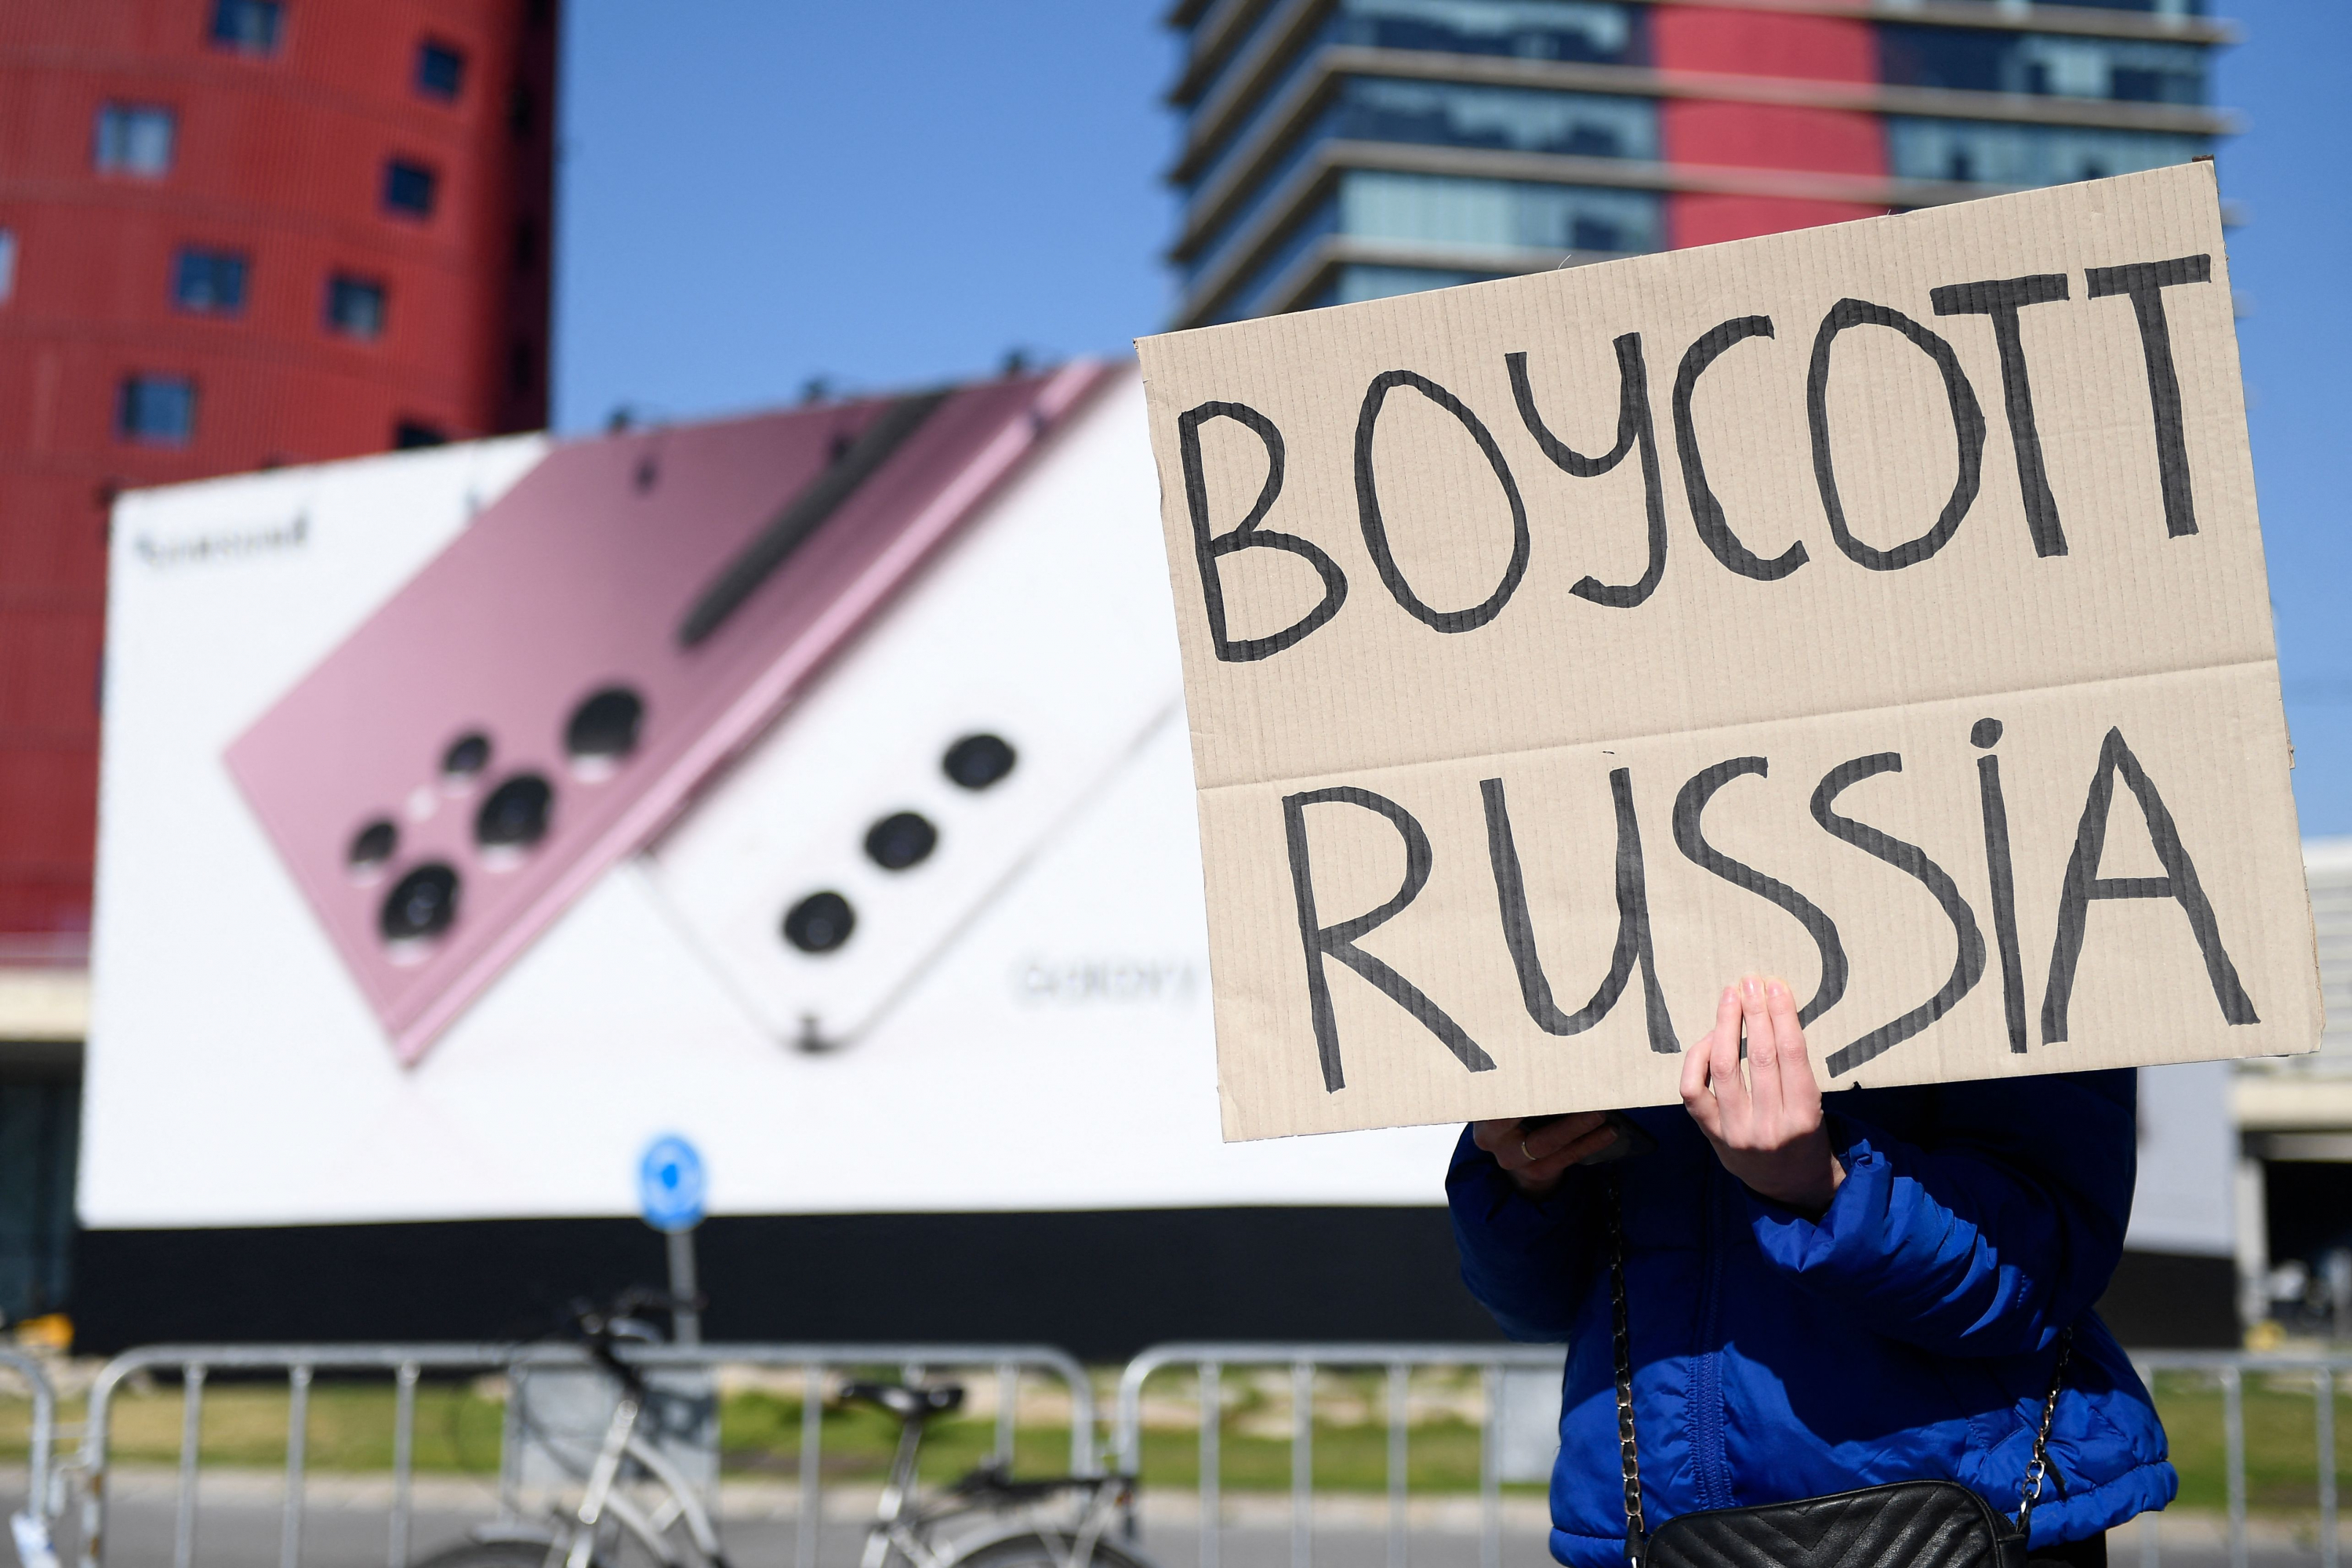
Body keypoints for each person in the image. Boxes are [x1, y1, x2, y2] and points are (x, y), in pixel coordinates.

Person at [1448, 974, 2173, 1568]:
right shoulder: (1573, 949)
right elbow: (1535, 1310)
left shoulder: (2012, 907)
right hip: (1655, 1532)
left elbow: (2040, 1261)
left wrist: (1823, 1187)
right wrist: (1524, 1184)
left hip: (1968, 1520)